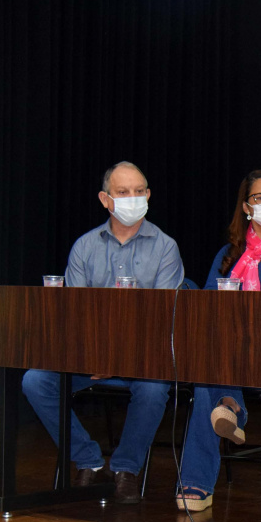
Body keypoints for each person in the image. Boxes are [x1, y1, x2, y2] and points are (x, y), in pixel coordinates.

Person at [22, 161, 184, 504]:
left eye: (139, 191)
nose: (133, 198)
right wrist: (98, 356)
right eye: (123, 192)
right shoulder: (85, 246)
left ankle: (127, 469)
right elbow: (76, 315)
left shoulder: (166, 247)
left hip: (144, 358)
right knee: (36, 381)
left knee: (155, 388)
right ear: (105, 200)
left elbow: (163, 318)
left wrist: (121, 359)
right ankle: (88, 460)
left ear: (149, 195)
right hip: (90, 356)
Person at [174, 169, 261, 512]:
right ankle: (230, 405)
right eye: (260, 198)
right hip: (227, 348)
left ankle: (197, 480)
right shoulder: (229, 252)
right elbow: (209, 301)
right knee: (197, 316)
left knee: (209, 363)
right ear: (246, 208)